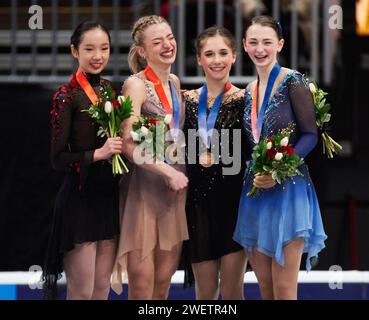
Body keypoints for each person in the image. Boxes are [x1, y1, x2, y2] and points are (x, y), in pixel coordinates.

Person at [233, 15, 327, 300]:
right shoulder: (249, 90)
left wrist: (279, 171)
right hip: (256, 191)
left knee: (285, 291)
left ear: (280, 44)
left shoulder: (292, 81)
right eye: (254, 42)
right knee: (266, 290)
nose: (260, 48)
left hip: (289, 191)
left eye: (267, 42)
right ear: (245, 46)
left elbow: (311, 134)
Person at [111, 15, 189, 300]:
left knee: (163, 284)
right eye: (158, 42)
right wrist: (168, 172)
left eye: (169, 37)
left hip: (174, 190)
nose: (168, 45)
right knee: (142, 287)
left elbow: (172, 134)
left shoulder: (174, 81)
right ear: (142, 51)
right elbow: (128, 145)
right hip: (144, 190)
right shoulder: (136, 84)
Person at [43, 21, 121, 300]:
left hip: (107, 197)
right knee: (82, 294)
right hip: (79, 199)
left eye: (104, 48)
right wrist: (98, 154)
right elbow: (57, 159)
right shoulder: (66, 96)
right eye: (89, 49)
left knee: (101, 291)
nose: (97, 55)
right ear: (75, 51)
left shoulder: (109, 90)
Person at [183, 26, 248, 300]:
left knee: (233, 292)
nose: (216, 60)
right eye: (209, 54)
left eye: (223, 53)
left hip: (234, 202)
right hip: (198, 205)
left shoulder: (246, 100)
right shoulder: (185, 100)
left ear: (234, 56)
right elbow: (174, 148)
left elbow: (251, 150)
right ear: (199, 59)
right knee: (205, 293)